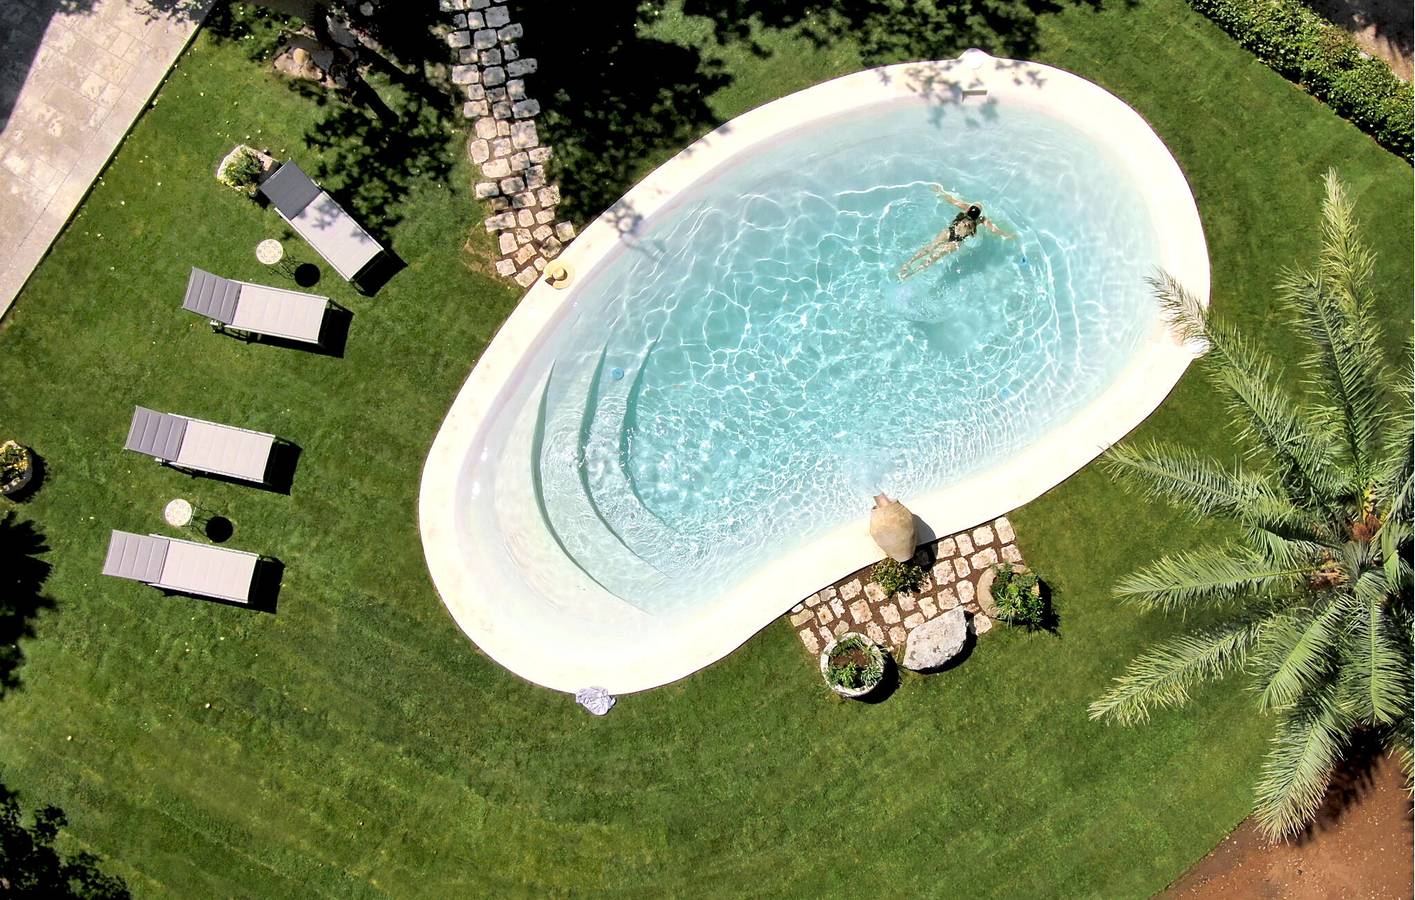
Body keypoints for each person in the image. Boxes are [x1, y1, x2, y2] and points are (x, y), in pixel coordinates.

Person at [898, 184, 1015, 280]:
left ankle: (907, 265)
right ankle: (910, 274)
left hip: (950, 231)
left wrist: (940, 192)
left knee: (930, 248)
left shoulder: (966, 208)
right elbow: (993, 229)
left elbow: (952, 200)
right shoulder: (980, 220)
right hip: (956, 242)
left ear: (970, 209)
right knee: (934, 257)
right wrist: (1006, 235)